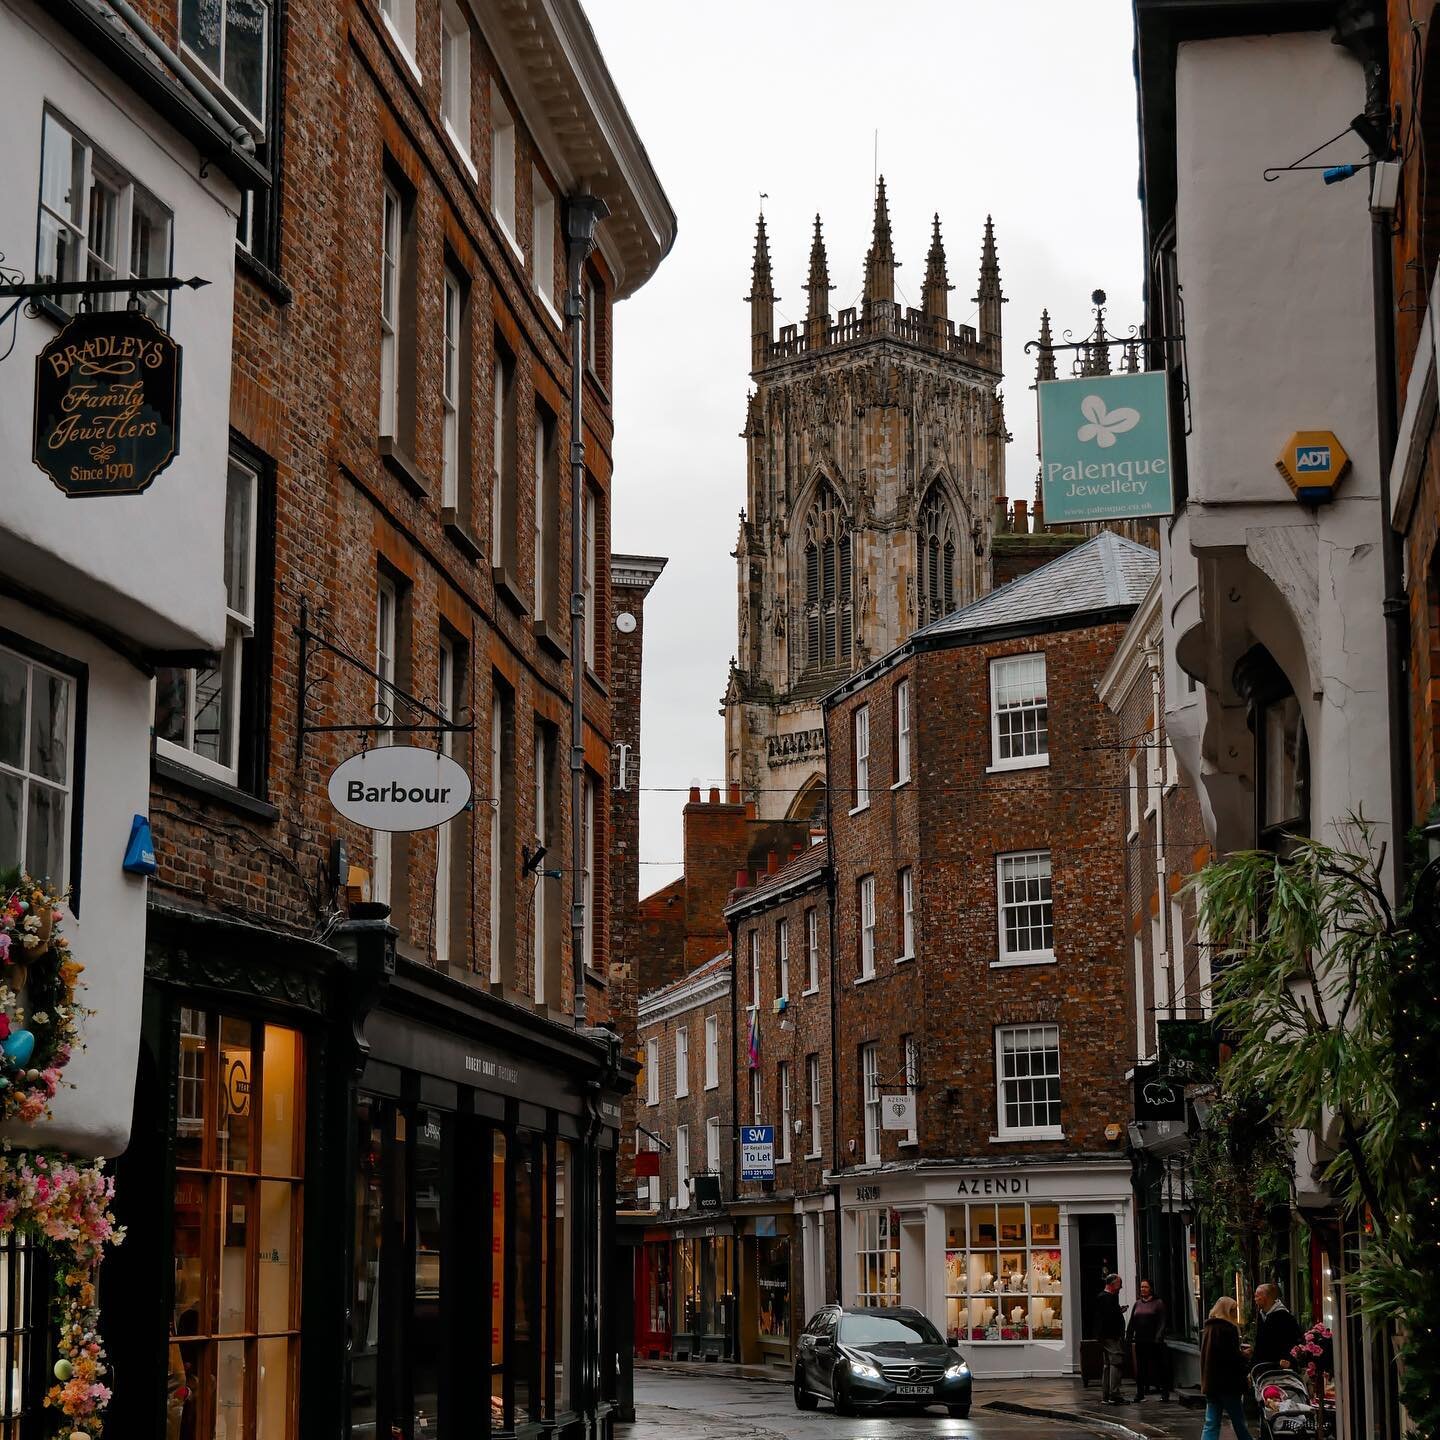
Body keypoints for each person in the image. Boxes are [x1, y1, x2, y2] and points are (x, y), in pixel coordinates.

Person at [1200, 1296, 1255, 1440]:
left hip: (1211, 1382)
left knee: (1211, 1422)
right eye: (1233, 1310)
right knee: (1238, 1420)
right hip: (1228, 1383)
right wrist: (1245, 1355)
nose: (1235, 1314)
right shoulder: (1228, 1328)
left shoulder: (1209, 1327)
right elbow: (1231, 1358)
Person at [1126, 1278, 1171, 1401]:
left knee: (1159, 1367)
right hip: (1140, 1340)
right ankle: (1140, 1393)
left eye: (1145, 1287)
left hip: (1154, 1341)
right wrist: (1129, 1337)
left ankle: (1164, 1393)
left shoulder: (1158, 1303)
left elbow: (1163, 1321)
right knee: (1141, 1368)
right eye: (1141, 1287)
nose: (1143, 1289)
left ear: (1151, 1288)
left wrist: (1158, 1337)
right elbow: (1132, 1322)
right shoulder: (1137, 1304)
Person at [1252, 1282, 1302, 1374]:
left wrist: (1288, 1361)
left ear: (1266, 1297)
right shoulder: (1262, 1316)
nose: (1255, 1299)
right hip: (1262, 1368)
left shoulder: (1285, 1317)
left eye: (1257, 1296)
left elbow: (1292, 1342)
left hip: (1280, 1368)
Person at [1095, 1273, 1127, 1404]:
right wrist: (1119, 1312)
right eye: (1119, 1284)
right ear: (1112, 1284)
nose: (1121, 1287)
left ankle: (1106, 1395)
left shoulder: (1102, 1297)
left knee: (1107, 1364)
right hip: (1111, 1336)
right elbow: (1110, 1318)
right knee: (1115, 1362)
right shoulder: (1109, 1298)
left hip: (1104, 1335)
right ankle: (1114, 1394)